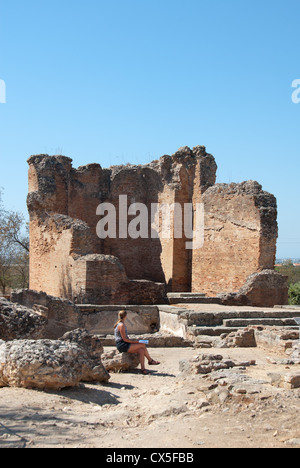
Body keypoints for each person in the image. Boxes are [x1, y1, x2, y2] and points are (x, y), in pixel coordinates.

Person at [114, 310, 160, 375]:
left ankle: (143, 369)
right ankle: (150, 360)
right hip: (122, 345)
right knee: (142, 345)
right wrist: (135, 342)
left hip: (124, 343)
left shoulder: (121, 324)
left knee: (141, 350)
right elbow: (124, 339)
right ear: (126, 316)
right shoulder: (121, 325)